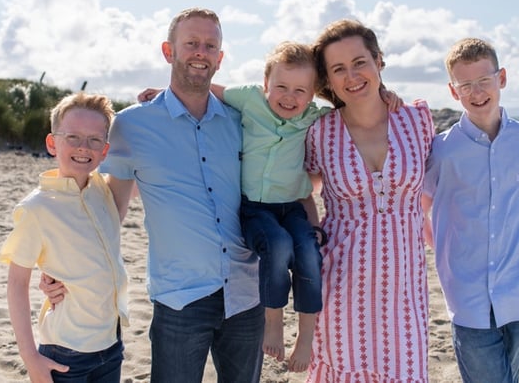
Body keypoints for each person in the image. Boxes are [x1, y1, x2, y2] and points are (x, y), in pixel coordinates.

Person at [137, 41, 401, 373]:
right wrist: (165, 91)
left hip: (291, 207)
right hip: (255, 208)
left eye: (300, 91)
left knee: (308, 253)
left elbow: (357, 105)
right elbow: (206, 91)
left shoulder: (316, 117)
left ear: (312, 94)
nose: (289, 97)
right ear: (265, 85)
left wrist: (386, 95)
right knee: (277, 246)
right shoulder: (248, 99)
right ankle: (273, 318)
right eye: (281, 87)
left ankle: (305, 335)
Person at [50, 7, 264, 383]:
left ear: (220, 57)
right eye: (191, 43)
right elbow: (110, 208)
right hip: (180, 297)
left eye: (210, 45)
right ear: (169, 51)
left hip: (246, 293)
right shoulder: (132, 125)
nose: (201, 52)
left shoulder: (240, 121)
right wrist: (63, 264)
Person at [303, 19, 433, 382]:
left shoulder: (417, 120)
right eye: (338, 69)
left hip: (404, 291)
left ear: (378, 61)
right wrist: (312, 230)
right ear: (327, 80)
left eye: (360, 62)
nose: (352, 75)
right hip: (342, 285)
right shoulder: (319, 132)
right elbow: (297, 185)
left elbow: (443, 182)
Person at [422, 37, 519, 383]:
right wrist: (448, 255)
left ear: (502, 79)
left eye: (484, 80)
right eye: (465, 85)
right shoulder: (442, 151)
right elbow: (420, 210)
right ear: (453, 92)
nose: (477, 92)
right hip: (469, 300)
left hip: (518, 292)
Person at [0, 92, 129, 383]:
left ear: (105, 150)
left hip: (112, 346)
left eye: (95, 140)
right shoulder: (36, 208)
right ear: (51, 143)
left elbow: (134, 150)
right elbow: (17, 285)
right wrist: (31, 358)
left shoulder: (104, 191)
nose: (84, 147)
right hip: (66, 352)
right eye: (73, 137)